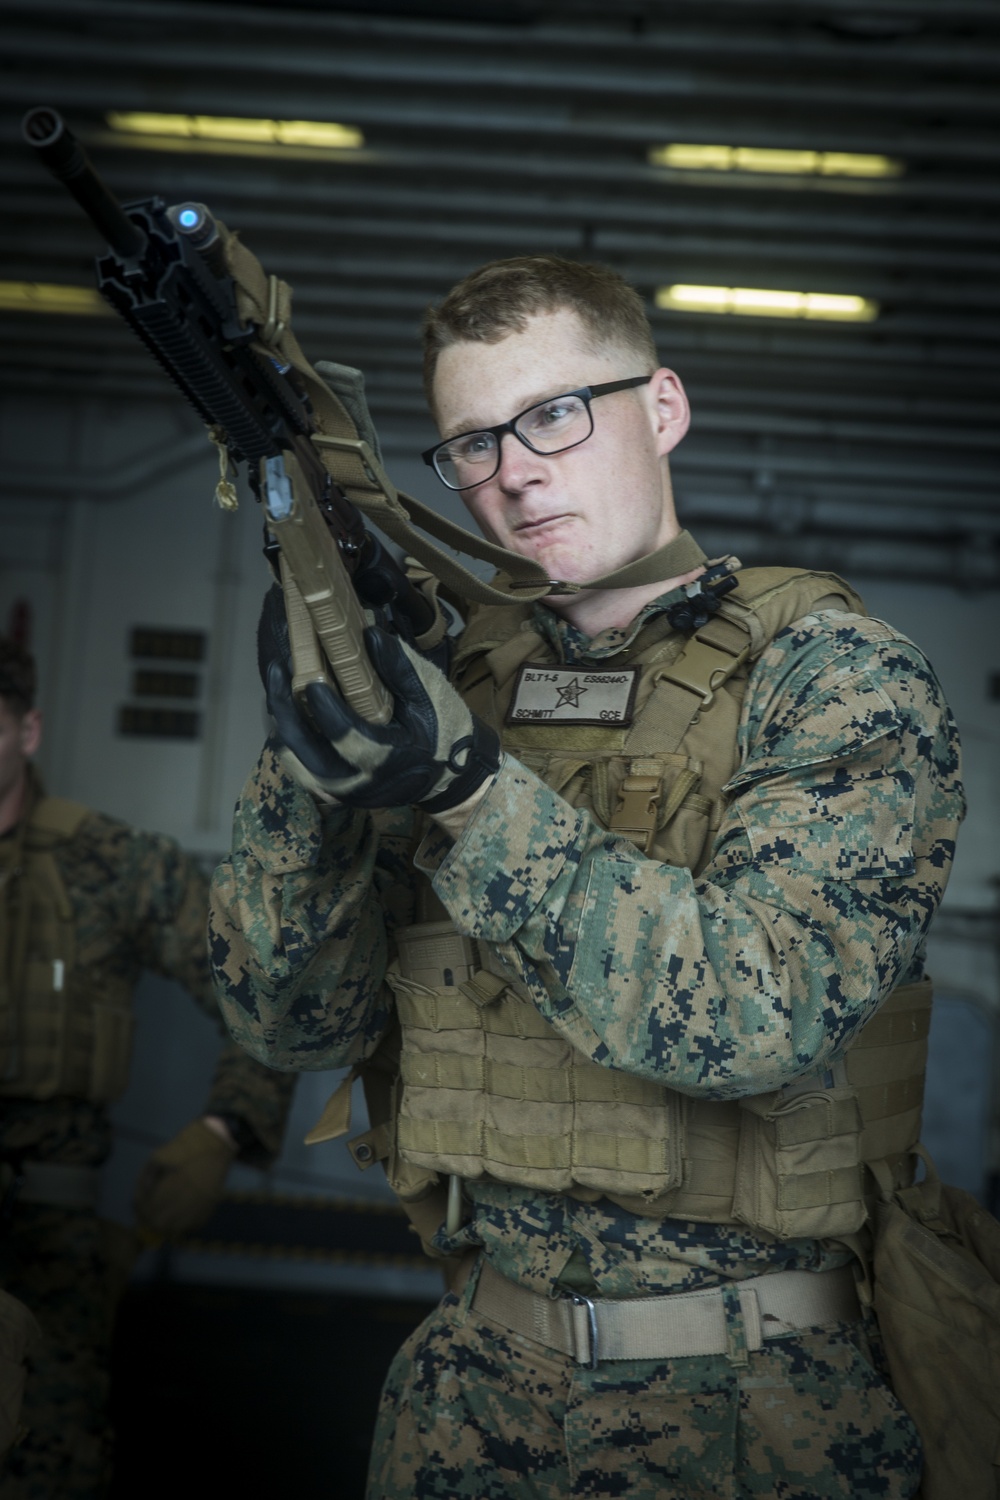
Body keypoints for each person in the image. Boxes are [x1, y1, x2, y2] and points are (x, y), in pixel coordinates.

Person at [210, 254, 965, 1499]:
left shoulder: (834, 677)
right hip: (470, 1391)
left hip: (752, 1416)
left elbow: (754, 1013)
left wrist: (465, 787)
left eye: (555, 413)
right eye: (471, 444)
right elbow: (293, 1025)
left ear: (661, 408)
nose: (514, 471)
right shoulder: (456, 684)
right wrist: (318, 758)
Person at [0, 636, 296, 1499]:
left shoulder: (113, 865)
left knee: (46, 1461)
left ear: (28, 732)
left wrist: (223, 1129)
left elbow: (263, 999)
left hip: (46, 1225)